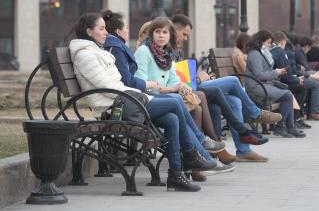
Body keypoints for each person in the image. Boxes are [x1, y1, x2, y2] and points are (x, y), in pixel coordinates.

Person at [69, 12, 218, 192]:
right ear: (89, 31)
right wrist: (142, 92)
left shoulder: (96, 52)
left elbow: (116, 84)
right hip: (115, 106)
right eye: (101, 29)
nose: (105, 32)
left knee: (172, 119)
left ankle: (176, 175)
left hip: (126, 99)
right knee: (176, 101)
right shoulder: (85, 55)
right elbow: (108, 86)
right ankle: (193, 151)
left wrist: (141, 93)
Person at [135, 17, 269, 166]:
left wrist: (181, 86)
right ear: (152, 34)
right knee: (221, 88)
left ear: (170, 34)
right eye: (157, 32)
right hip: (151, 97)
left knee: (221, 103)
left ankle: (205, 156)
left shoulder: (167, 52)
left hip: (171, 94)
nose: (161, 35)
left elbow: (174, 79)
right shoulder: (144, 51)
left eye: (164, 32)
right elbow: (142, 83)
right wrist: (176, 87)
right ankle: (210, 146)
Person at [171, 14, 278, 162]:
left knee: (235, 101)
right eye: (184, 34)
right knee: (233, 81)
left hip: (193, 86)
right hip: (190, 89)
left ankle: (243, 150)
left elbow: (179, 75)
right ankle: (254, 113)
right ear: (175, 30)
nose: (185, 38)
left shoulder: (176, 49)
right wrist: (196, 78)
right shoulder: (168, 50)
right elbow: (175, 80)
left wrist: (197, 74)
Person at [245, 30, 306, 138]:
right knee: (287, 95)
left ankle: (289, 127)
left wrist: (277, 72)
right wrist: (276, 72)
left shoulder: (259, 52)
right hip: (256, 87)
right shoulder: (254, 54)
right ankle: (281, 127)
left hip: (262, 84)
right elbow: (259, 75)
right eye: (268, 42)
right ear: (261, 41)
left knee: (287, 93)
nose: (269, 45)